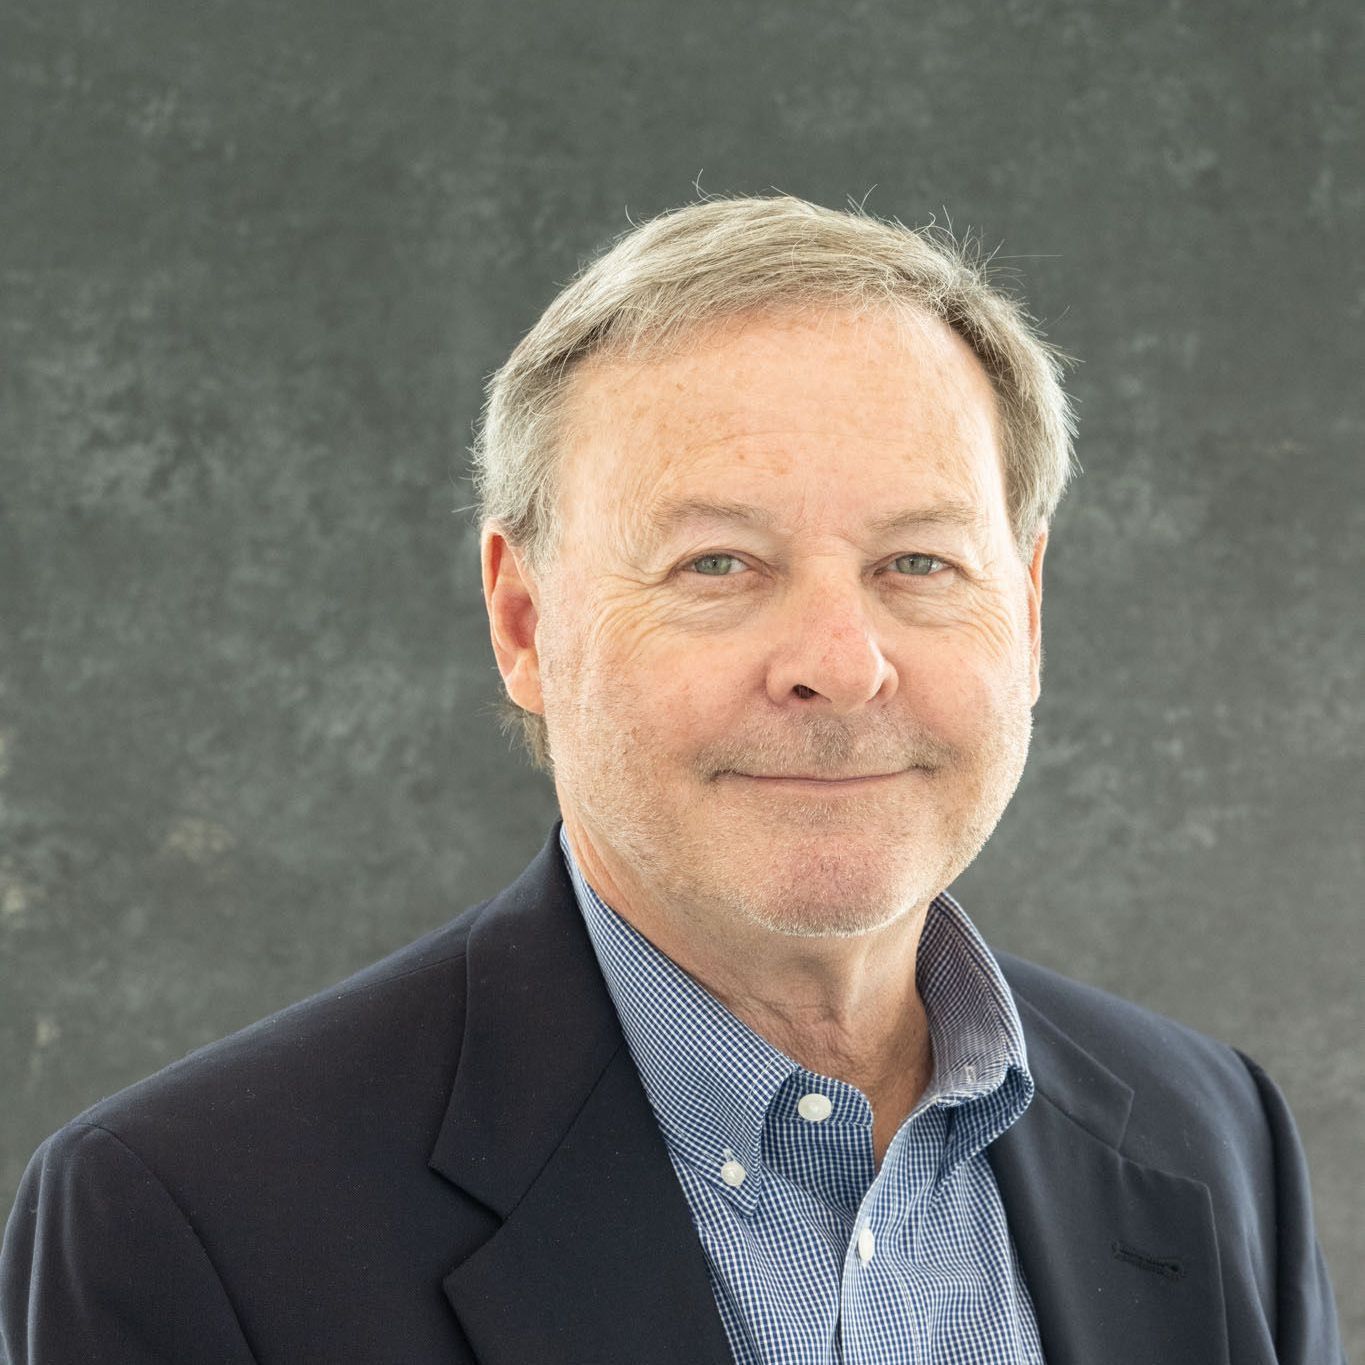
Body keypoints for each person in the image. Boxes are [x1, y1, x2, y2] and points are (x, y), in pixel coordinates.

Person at [0, 194, 1345, 1365]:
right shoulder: (190, 1219)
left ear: (1029, 611)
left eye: (917, 563)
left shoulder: (1211, 1137)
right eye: (718, 564)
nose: (839, 662)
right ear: (524, 622)